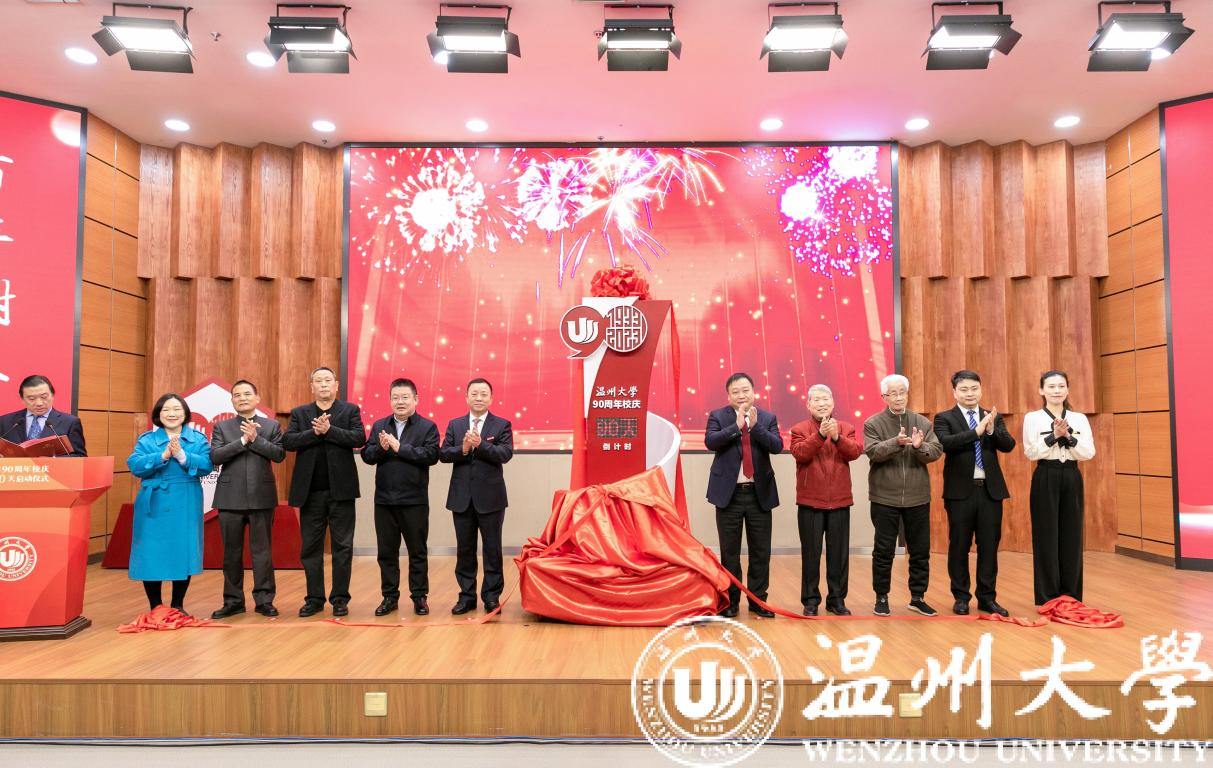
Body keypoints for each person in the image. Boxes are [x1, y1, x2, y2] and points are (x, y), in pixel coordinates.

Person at [283, 366, 365, 618]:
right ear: (312, 387)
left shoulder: (349, 410)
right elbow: (288, 442)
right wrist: (314, 433)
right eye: (318, 381)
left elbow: (358, 438)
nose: (323, 384)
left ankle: (340, 599)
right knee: (311, 548)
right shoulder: (300, 413)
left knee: (343, 547)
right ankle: (314, 599)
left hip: (342, 491)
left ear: (336, 385)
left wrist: (329, 431)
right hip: (310, 493)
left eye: (328, 380)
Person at [933, 370, 1016, 617]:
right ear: (954, 392)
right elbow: (945, 443)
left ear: (981, 389)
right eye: (964, 389)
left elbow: (1008, 445)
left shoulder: (992, 416)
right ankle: (961, 597)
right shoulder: (944, 417)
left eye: (974, 389)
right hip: (960, 493)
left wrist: (990, 431)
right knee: (959, 545)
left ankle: (987, 598)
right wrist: (976, 432)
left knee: (989, 546)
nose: (970, 394)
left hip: (990, 492)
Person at [863, 374, 943, 617]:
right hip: (884, 497)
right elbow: (872, 452)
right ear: (884, 397)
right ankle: (881, 597)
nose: (898, 398)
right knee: (884, 550)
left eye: (902, 393)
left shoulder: (922, 422)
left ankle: (917, 597)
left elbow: (936, 451)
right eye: (893, 394)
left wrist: (920, 447)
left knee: (920, 550)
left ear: (907, 394)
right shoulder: (873, 423)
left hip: (918, 497)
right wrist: (895, 442)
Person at [126, 393, 213, 614]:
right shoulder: (147, 439)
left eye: (176, 409)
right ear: (158, 414)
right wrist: (162, 456)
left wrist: (183, 456)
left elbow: (207, 465)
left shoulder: (198, 439)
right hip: (153, 501)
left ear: (185, 413)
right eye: (166, 409)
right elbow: (135, 465)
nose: (171, 414)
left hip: (186, 499)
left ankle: (178, 605)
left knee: (183, 549)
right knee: (151, 551)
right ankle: (156, 606)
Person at [705, 372, 783, 619]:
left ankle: (758, 601)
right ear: (728, 395)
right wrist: (736, 427)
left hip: (759, 494)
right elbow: (711, 442)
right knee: (730, 552)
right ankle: (731, 601)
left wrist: (755, 427)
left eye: (745, 390)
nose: (741, 395)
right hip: (729, 496)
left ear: (753, 392)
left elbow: (777, 446)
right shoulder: (718, 416)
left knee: (761, 551)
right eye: (735, 391)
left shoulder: (767, 418)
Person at [360, 378, 440, 617]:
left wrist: (399, 447)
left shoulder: (427, 427)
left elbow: (431, 455)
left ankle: (419, 597)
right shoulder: (380, 425)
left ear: (416, 399)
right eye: (395, 397)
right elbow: (367, 455)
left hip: (414, 501)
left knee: (417, 552)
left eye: (405, 397)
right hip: (384, 501)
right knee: (386, 553)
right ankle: (389, 597)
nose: (400, 402)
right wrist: (382, 448)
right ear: (390, 400)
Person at [208, 380, 286, 619]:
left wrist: (256, 439)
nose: (242, 398)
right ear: (232, 400)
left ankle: (264, 600)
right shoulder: (222, 427)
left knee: (262, 552)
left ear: (257, 398)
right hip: (229, 498)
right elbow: (216, 456)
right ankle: (233, 601)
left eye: (247, 394)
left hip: (262, 497)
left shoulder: (271, 425)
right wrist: (242, 441)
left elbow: (279, 454)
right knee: (231, 553)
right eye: (237, 395)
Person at [440, 378, 513, 615]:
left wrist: (481, 445)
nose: (479, 398)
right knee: (465, 550)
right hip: (461, 498)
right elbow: (443, 454)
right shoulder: (455, 424)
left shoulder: (502, 425)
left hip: (491, 499)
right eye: (474, 394)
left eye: (483, 394)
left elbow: (505, 454)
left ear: (491, 398)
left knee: (492, 550)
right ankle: (466, 597)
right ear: (466, 397)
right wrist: (462, 449)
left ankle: (491, 597)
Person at [1023, 369, 1095, 606]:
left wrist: (1069, 437)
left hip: (1071, 476)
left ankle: (1070, 594)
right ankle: (1048, 595)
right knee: (1045, 535)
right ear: (1041, 390)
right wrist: (1053, 436)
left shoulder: (1079, 418)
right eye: (1051, 387)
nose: (1056, 391)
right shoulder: (1032, 418)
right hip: (1046, 474)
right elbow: (1031, 452)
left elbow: (1088, 452)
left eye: (1061, 386)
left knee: (1072, 535)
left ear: (1067, 389)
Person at [790, 384, 862, 617]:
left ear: (833, 402)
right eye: (817, 400)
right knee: (811, 553)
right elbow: (801, 453)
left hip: (840, 500)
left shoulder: (846, 427)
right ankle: (810, 600)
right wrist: (820, 435)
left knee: (839, 554)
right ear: (808, 404)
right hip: (810, 501)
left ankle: (837, 599)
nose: (822, 404)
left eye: (826, 399)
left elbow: (855, 452)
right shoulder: (799, 429)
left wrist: (837, 437)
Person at [0, 374, 86, 455]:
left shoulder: (70, 422)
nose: (39, 403)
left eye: (44, 397)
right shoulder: (4, 422)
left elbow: (80, 456)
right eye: (31, 399)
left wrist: (51, 460)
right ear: (22, 399)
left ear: (52, 395)